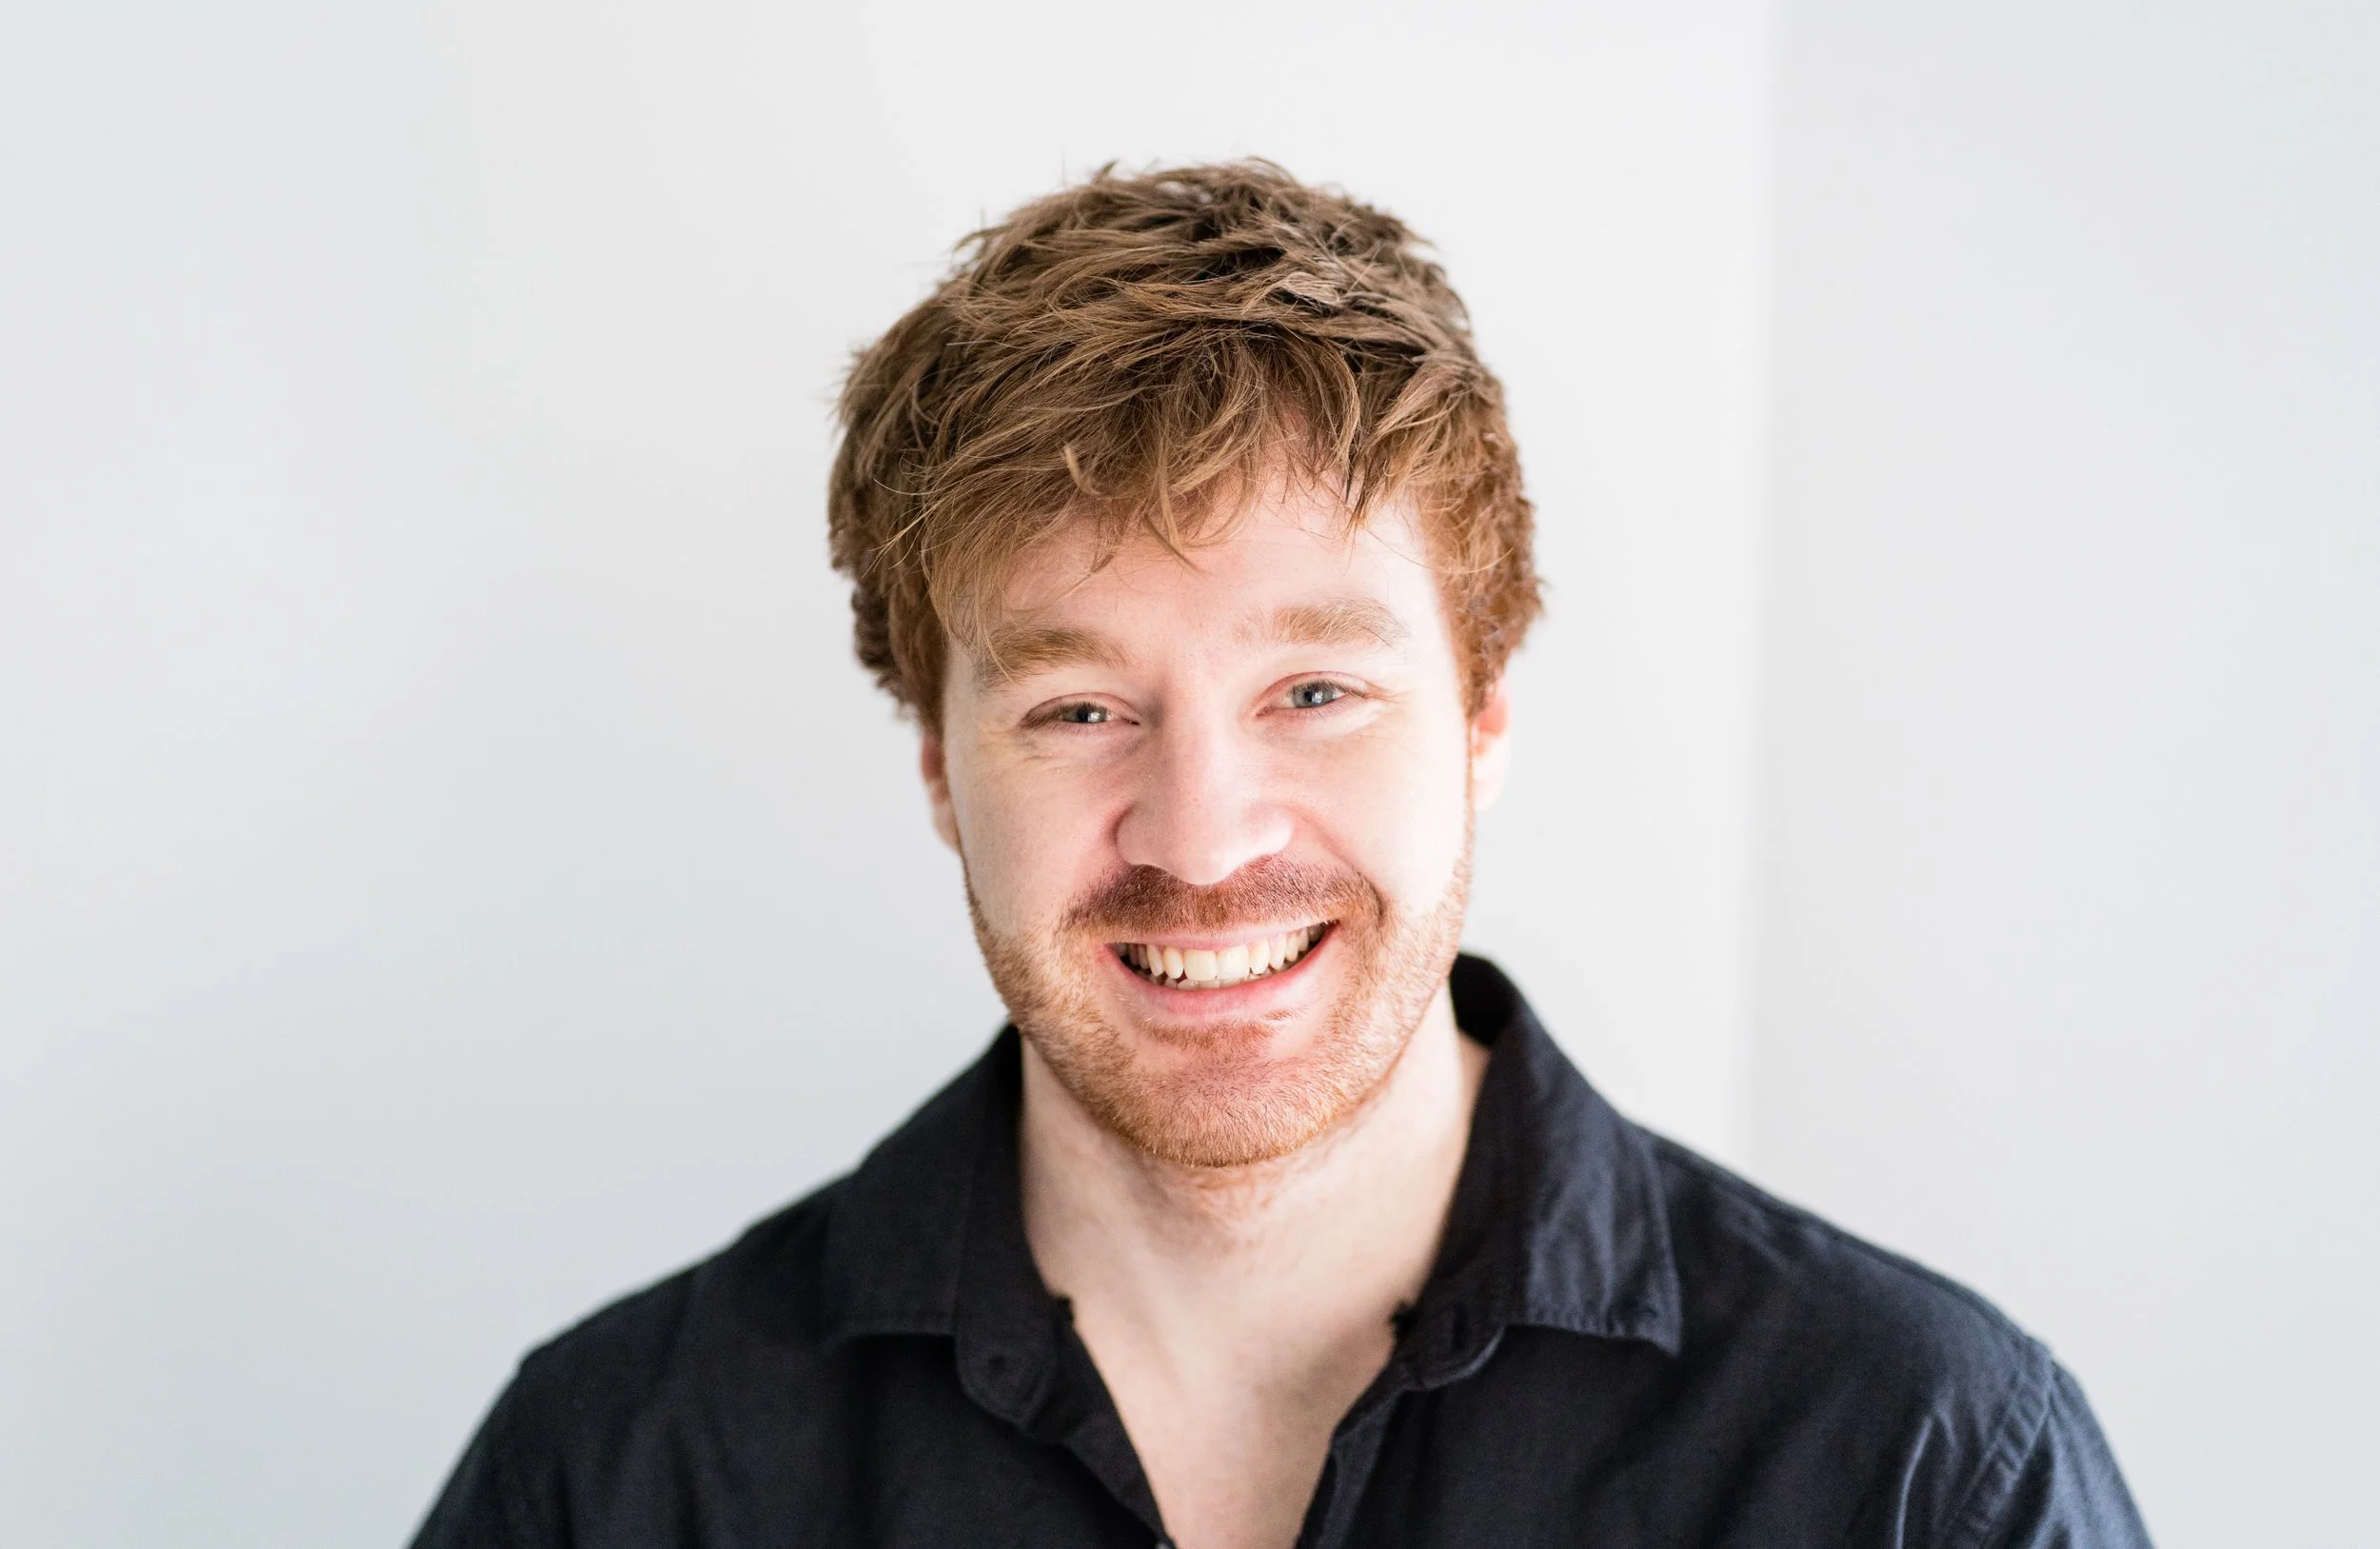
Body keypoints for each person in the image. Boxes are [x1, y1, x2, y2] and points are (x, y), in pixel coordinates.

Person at [410, 161, 2151, 1549]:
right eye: (1082, 708)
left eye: (1315, 690)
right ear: (941, 767)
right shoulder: (617, 1475)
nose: (1206, 835)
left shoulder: (1920, 1471)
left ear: (1481, 720)